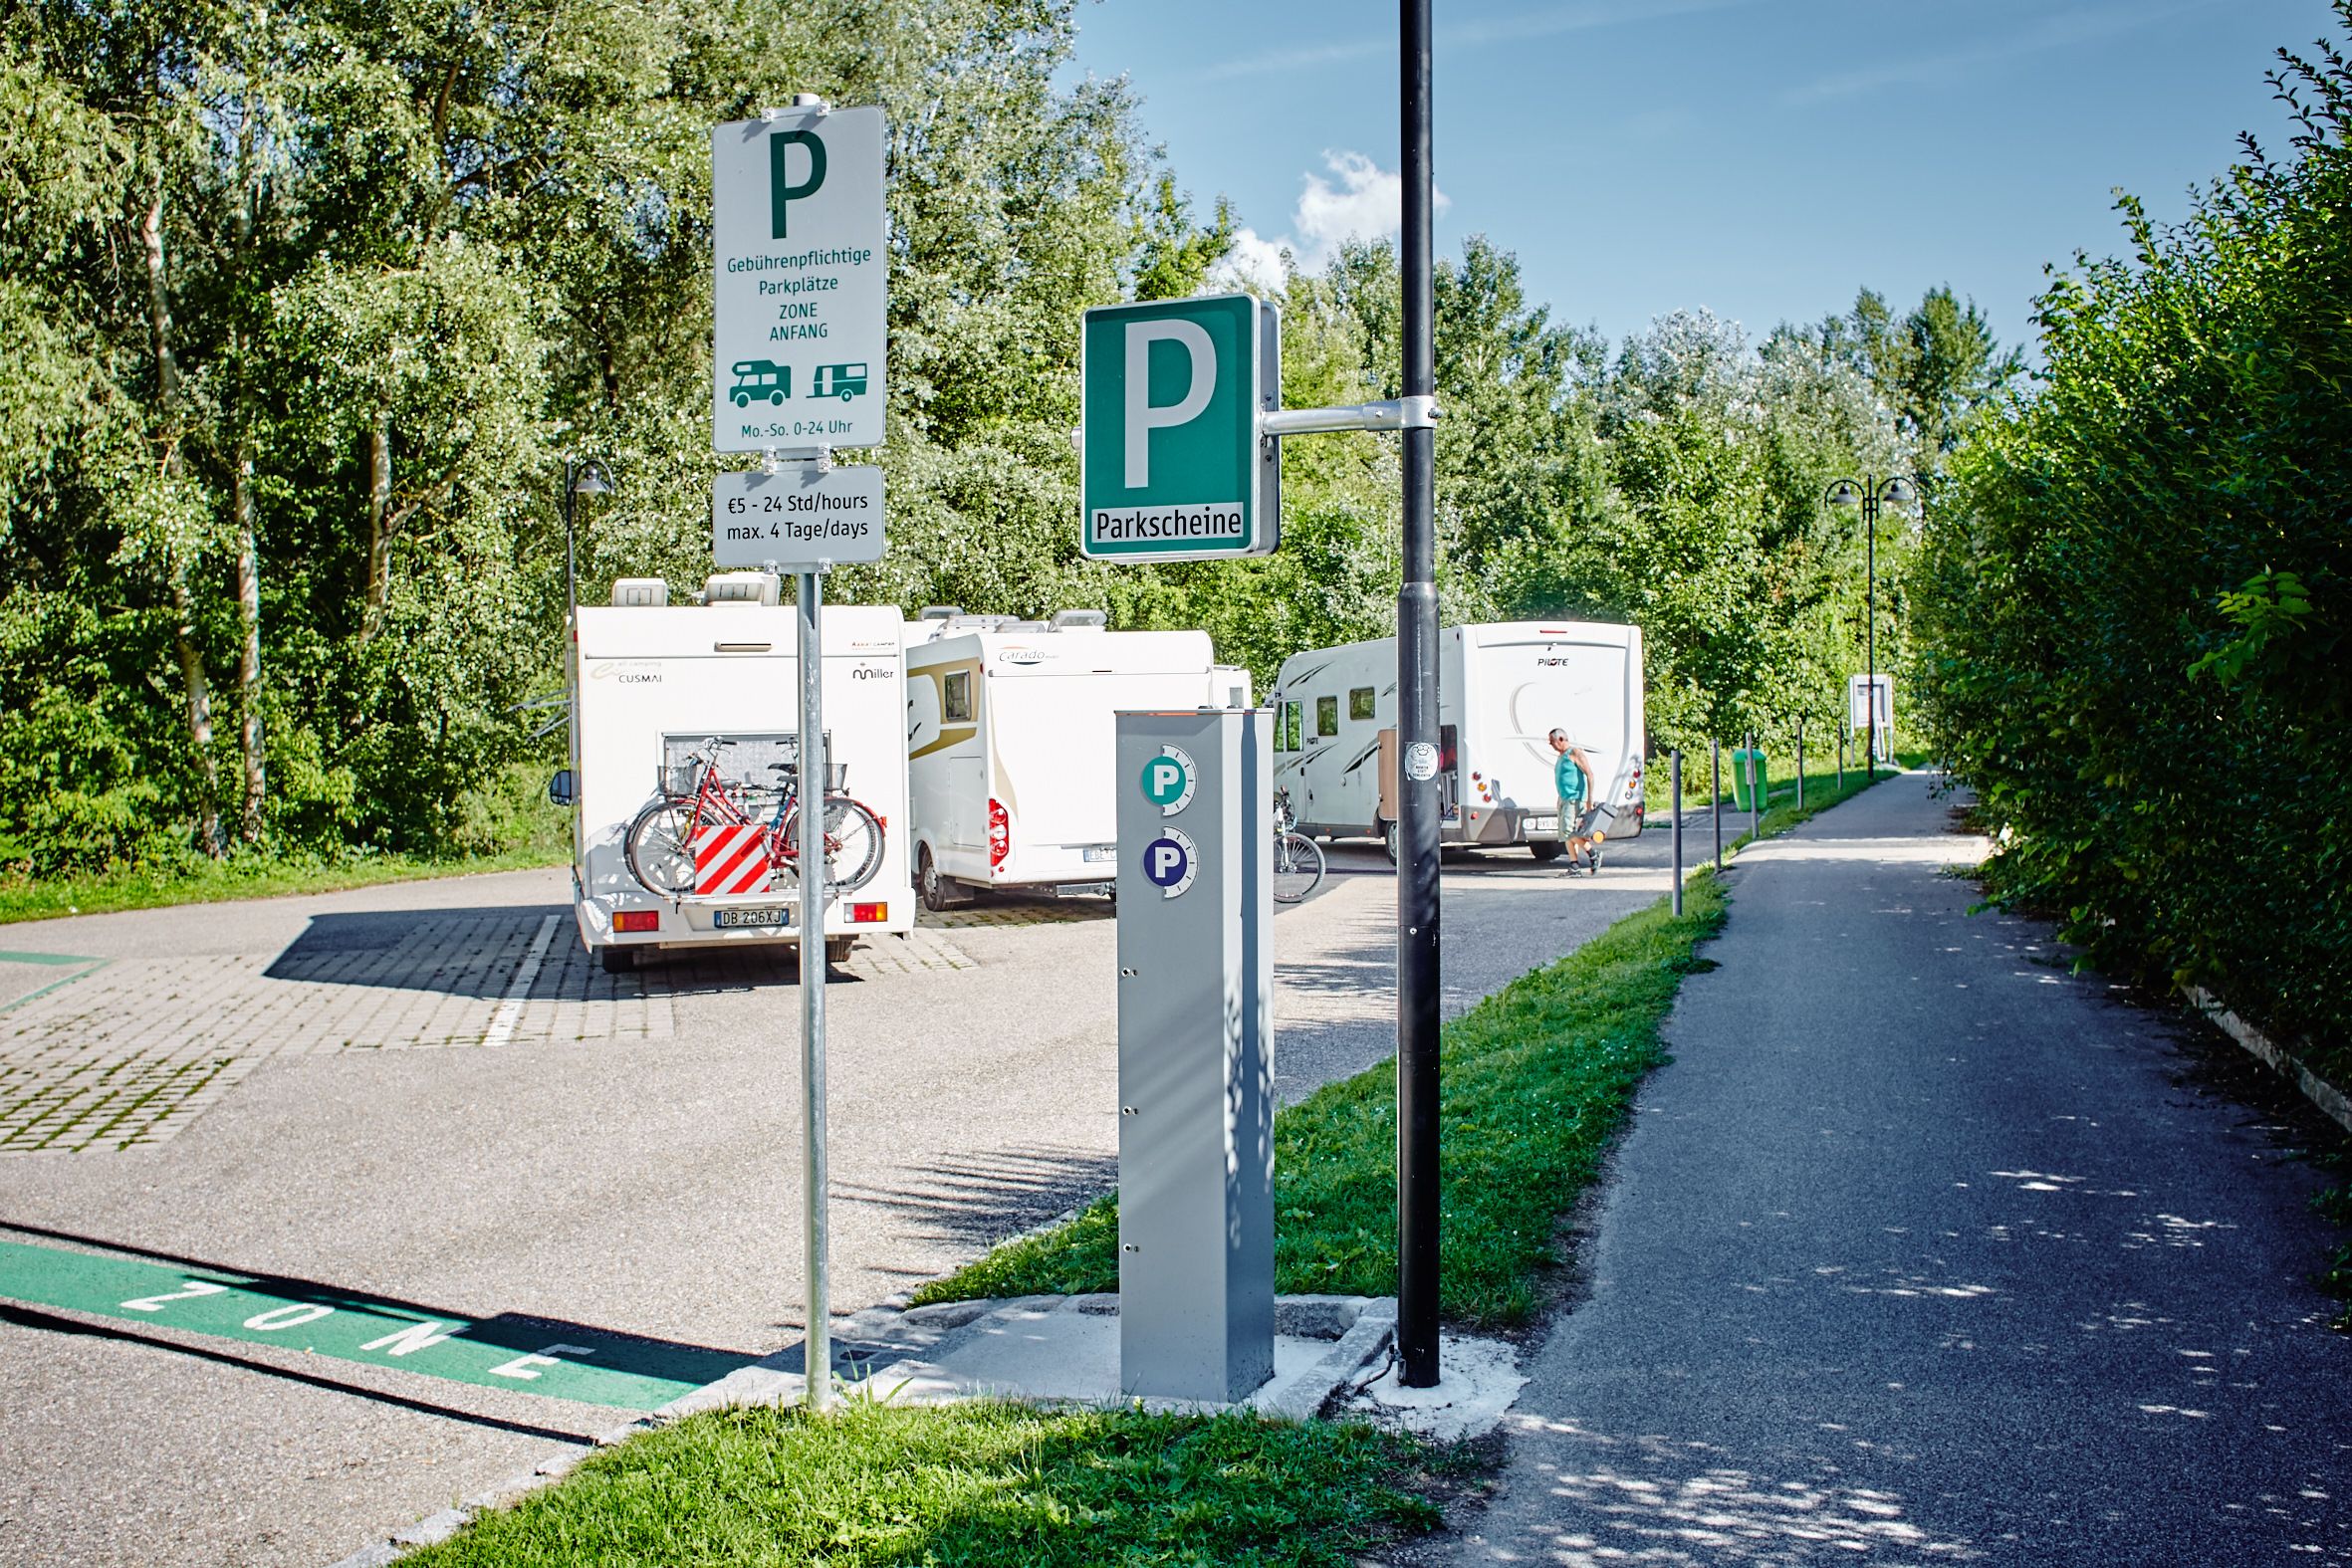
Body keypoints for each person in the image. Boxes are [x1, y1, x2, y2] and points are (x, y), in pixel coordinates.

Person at [1548, 729, 1598, 874]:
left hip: (1575, 799)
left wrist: (1590, 799)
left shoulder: (1574, 753)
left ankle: (1593, 853)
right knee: (1566, 835)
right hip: (1564, 799)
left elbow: (1590, 775)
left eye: (1552, 742)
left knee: (1567, 831)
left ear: (1562, 739)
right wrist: (1559, 799)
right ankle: (1574, 865)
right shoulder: (1561, 756)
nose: (1551, 745)